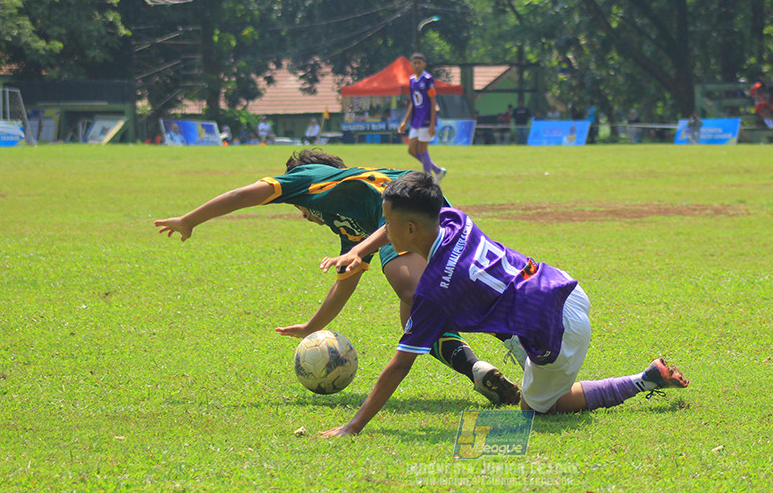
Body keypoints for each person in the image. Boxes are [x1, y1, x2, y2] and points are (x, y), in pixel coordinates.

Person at [318, 172, 689, 438]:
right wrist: (358, 250)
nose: (383, 229)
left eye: (387, 223)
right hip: (564, 286)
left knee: (539, 407)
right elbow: (407, 223)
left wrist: (354, 425)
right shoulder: (454, 220)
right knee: (496, 308)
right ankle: (522, 348)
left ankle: (644, 379)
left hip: (560, 330)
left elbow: (400, 365)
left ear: (411, 229)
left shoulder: (433, 290)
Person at [152, 149, 519, 406]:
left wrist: (189, 220)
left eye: (300, 209)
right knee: (416, 312)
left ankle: (512, 332)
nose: (303, 215)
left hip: (399, 206)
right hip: (428, 205)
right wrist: (312, 326)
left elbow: (243, 195)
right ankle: (477, 369)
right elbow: (346, 281)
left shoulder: (306, 178)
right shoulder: (347, 222)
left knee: (415, 293)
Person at [397, 53, 447, 183]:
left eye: (419, 63)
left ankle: (428, 181)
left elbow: (433, 100)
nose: (417, 65)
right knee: (412, 150)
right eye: (414, 63)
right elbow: (413, 102)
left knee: (422, 149)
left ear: (424, 64)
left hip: (426, 119)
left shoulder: (428, 79)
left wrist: (432, 123)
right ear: (411, 64)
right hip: (416, 119)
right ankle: (437, 170)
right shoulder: (412, 80)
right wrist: (404, 121)